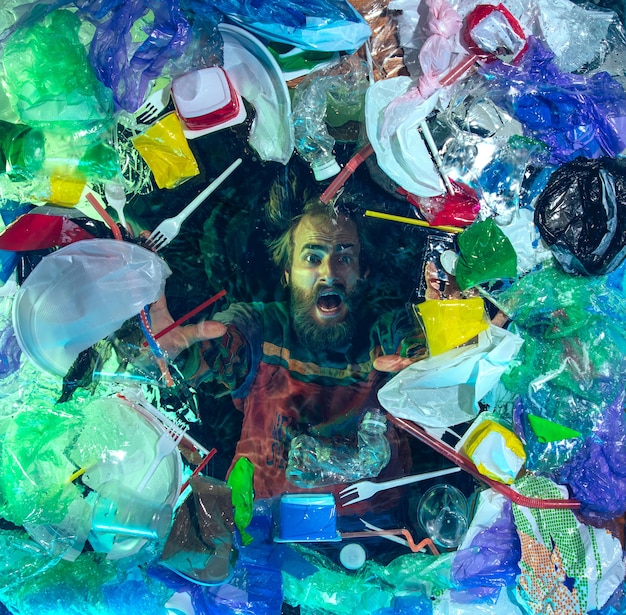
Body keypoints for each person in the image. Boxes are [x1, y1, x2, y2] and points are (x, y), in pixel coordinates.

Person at [150, 198, 426, 501]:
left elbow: (419, 347)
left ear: (364, 272)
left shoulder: (386, 330)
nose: (328, 273)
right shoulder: (260, 327)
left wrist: (431, 361)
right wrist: (170, 351)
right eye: (311, 258)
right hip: (260, 526)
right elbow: (212, 352)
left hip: (379, 533)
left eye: (344, 258)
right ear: (287, 273)